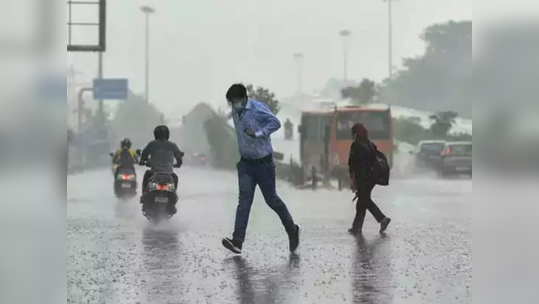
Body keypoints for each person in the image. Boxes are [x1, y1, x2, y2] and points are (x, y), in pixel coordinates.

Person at [222, 84, 301, 255]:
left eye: (235, 101)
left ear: (244, 98)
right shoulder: (235, 112)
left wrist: (258, 133)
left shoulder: (257, 108)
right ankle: (237, 241)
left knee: (272, 200)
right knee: (244, 202)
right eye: (231, 102)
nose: (233, 104)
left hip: (263, 164)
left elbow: (276, 122)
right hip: (245, 165)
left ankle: (292, 230)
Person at [348, 123, 391, 235]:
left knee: (365, 200)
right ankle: (356, 227)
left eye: (353, 132)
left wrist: (353, 178)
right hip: (372, 177)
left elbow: (353, 164)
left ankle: (382, 219)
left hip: (363, 177)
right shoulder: (370, 144)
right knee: (362, 200)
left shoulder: (356, 145)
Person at [139, 125, 183, 193]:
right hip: (169, 174)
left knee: (146, 175)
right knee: (175, 178)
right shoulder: (172, 145)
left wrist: (142, 161)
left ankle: (144, 196)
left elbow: (144, 154)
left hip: (153, 173)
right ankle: (174, 196)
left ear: (155, 134)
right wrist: (178, 164)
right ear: (167, 134)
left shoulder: (152, 144)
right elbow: (179, 158)